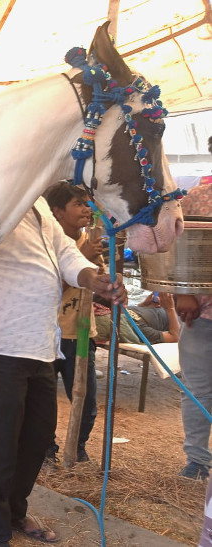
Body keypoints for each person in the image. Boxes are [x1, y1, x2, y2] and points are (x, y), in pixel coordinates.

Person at [0, 193, 127, 546]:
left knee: (36, 438)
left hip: (41, 346)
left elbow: (66, 252)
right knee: (1, 445)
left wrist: (92, 278)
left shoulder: (36, 205)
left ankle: (13, 513)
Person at [42, 181, 103, 465]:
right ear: (57, 212)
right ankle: (45, 450)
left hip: (80, 332)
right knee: (41, 404)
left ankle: (77, 449)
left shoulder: (92, 242)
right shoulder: (45, 246)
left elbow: (103, 288)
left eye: (87, 203)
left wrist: (109, 283)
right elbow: (47, 289)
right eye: (78, 204)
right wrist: (83, 261)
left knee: (86, 401)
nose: (86, 210)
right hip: (50, 334)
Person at [175, 142, 212, 482]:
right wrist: (180, 291)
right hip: (201, 314)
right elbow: (172, 243)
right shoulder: (196, 198)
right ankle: (198, 461)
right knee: (198, 389)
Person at [93, 290, 180, 345]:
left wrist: (143, 305)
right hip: (177, 315)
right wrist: (170, 309)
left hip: (162, 306)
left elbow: (133, 313)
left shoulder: (122, 312)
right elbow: (175, 336)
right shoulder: (138, 328)